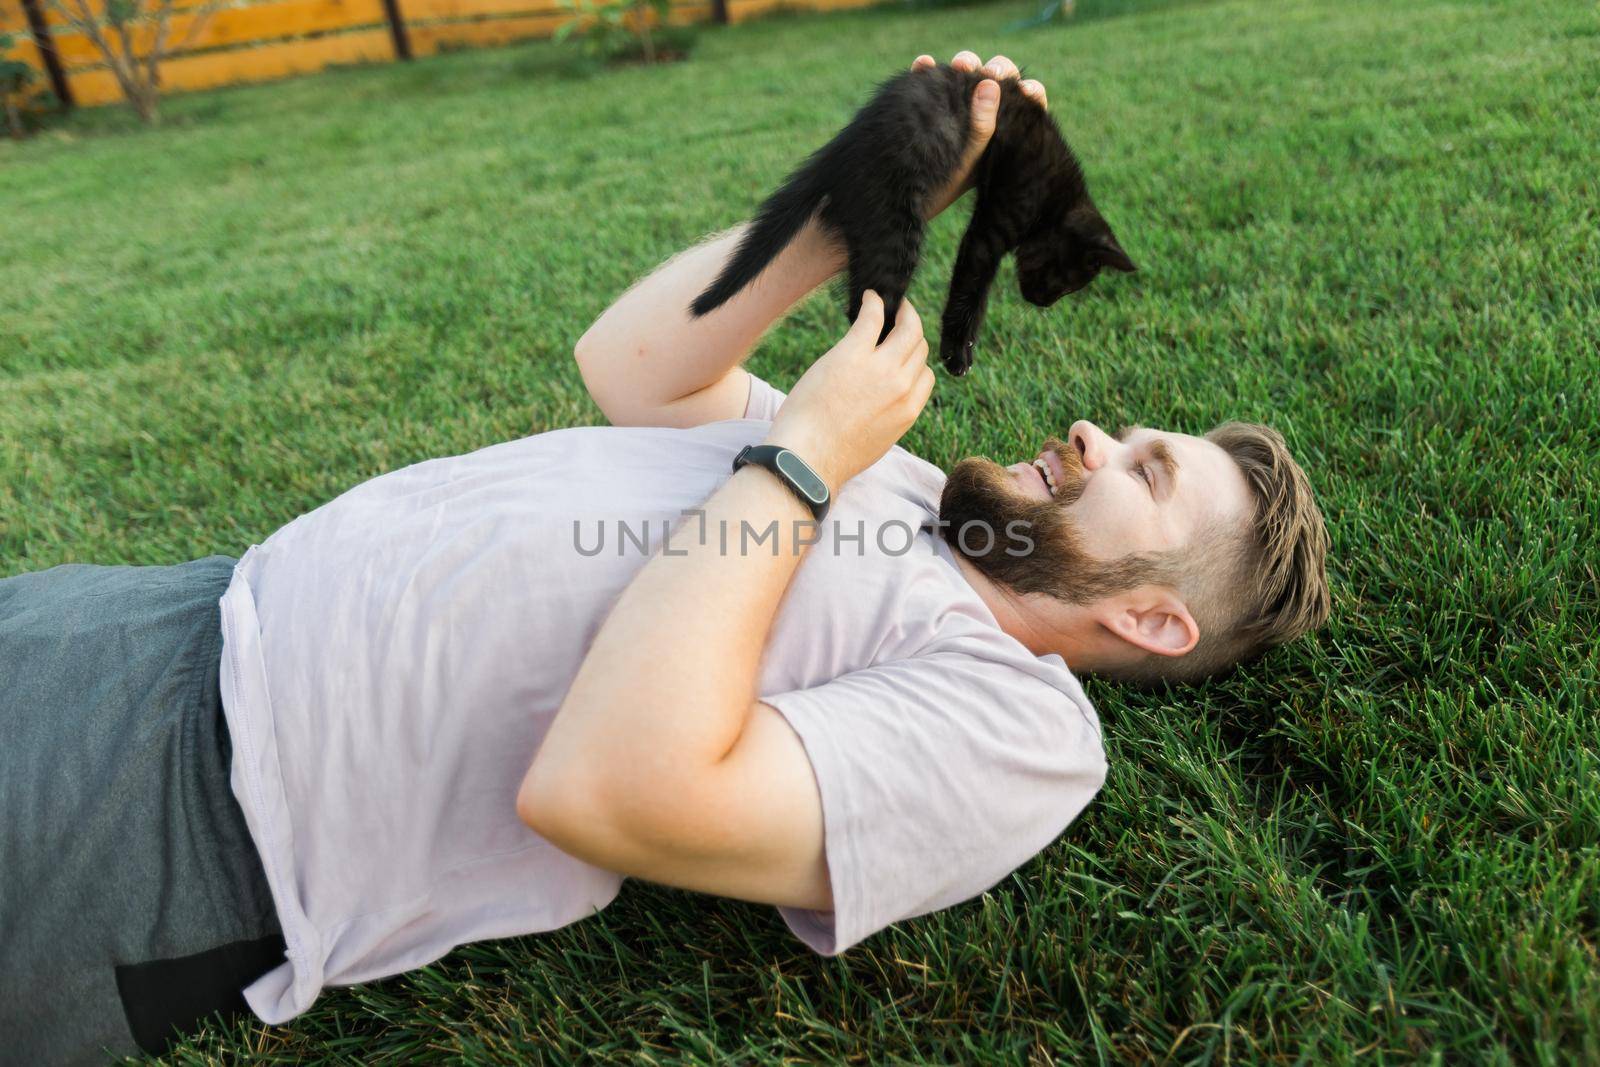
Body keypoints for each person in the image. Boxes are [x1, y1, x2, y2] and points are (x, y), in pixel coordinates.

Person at [0, 51, 1330, 1065]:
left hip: (192, 815)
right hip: (165, 615)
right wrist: (855, 204)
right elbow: (634, 362)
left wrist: (803, 460)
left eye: (1147, 473)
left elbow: (611, 793)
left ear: (1156, 624)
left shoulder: (1022, 728)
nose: (1097, 431)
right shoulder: (911, 483)